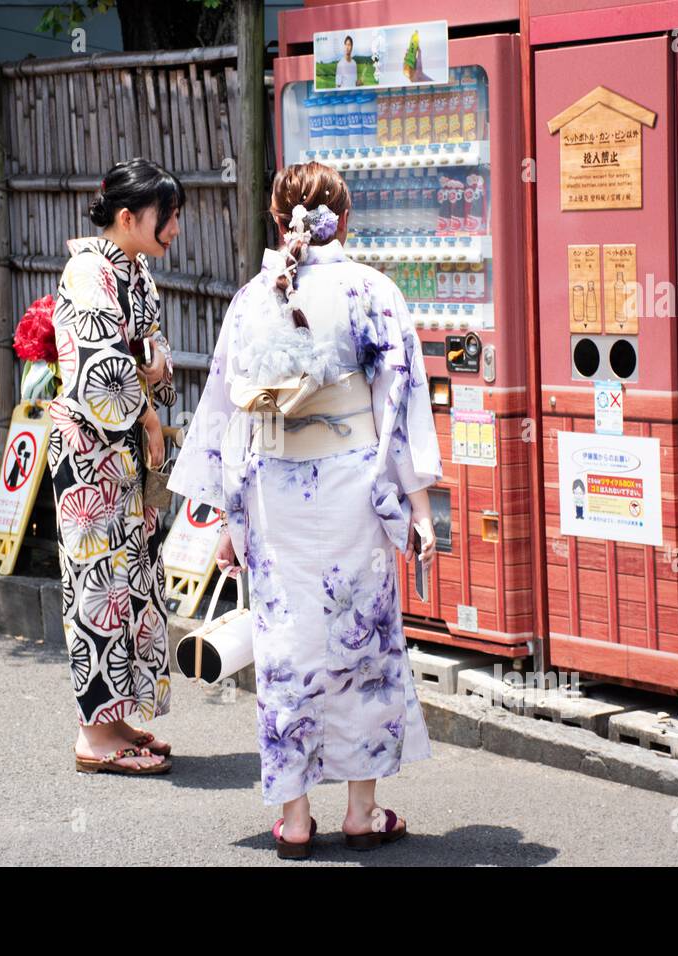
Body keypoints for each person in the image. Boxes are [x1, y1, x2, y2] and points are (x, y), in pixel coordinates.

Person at [168, 161, 443, 857]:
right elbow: (400, 401)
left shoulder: (253, 297)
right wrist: (419, 506)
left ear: (277, 219)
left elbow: (229, 416)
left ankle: (293, 821)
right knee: (363, 641)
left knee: (285, 648)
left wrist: (228, 522)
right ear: (343, 221)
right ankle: (361, 812)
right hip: (352, 486)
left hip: (273, 494)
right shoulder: (370, 291)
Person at [50, 158, 183, 775]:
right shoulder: (86, 271)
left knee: (133, 588)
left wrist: (153, 368)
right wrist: (151, 416)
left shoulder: (135, 271)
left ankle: (116, 717)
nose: (175, 228)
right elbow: (100, 370)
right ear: (128, 218)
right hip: (92, 458)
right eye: (168, 216)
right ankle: (93, 737)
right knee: (98, 587)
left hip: (128, 460)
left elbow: (153, 351)